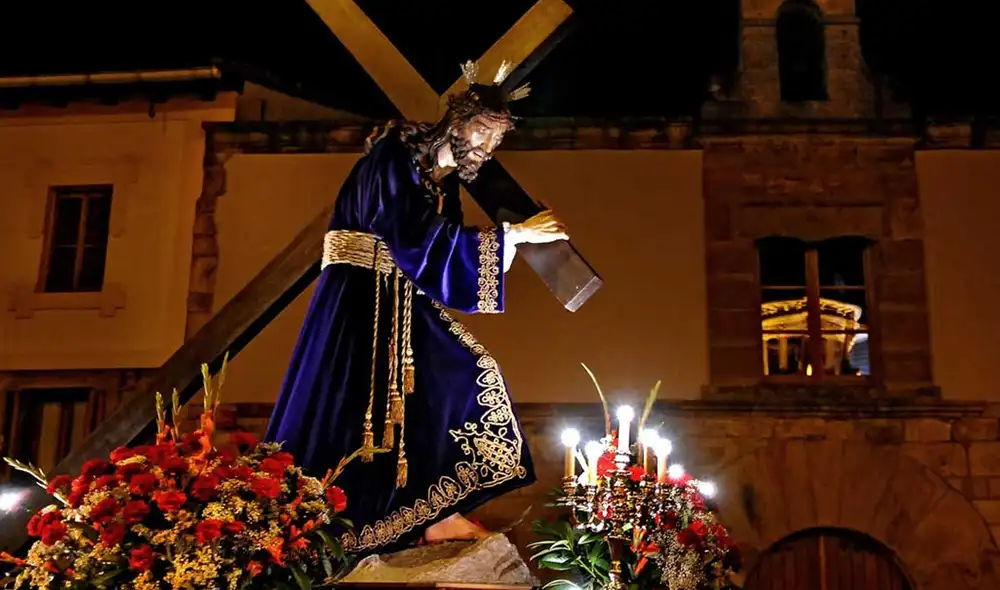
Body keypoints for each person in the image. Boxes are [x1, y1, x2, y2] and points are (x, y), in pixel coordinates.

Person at [264, 60, 569, 554]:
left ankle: (436, 512)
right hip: (361, 300)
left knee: (461, 377)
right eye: (483, 132)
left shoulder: (443, 185)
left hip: (403, 299)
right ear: (457, 121)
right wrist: (513, 234)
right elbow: (415, 236)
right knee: (355, 407)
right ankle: (353, 526)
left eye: (497, 140)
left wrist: (502, 239)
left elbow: (438, 252)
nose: (488, 148)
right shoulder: (392, 158)